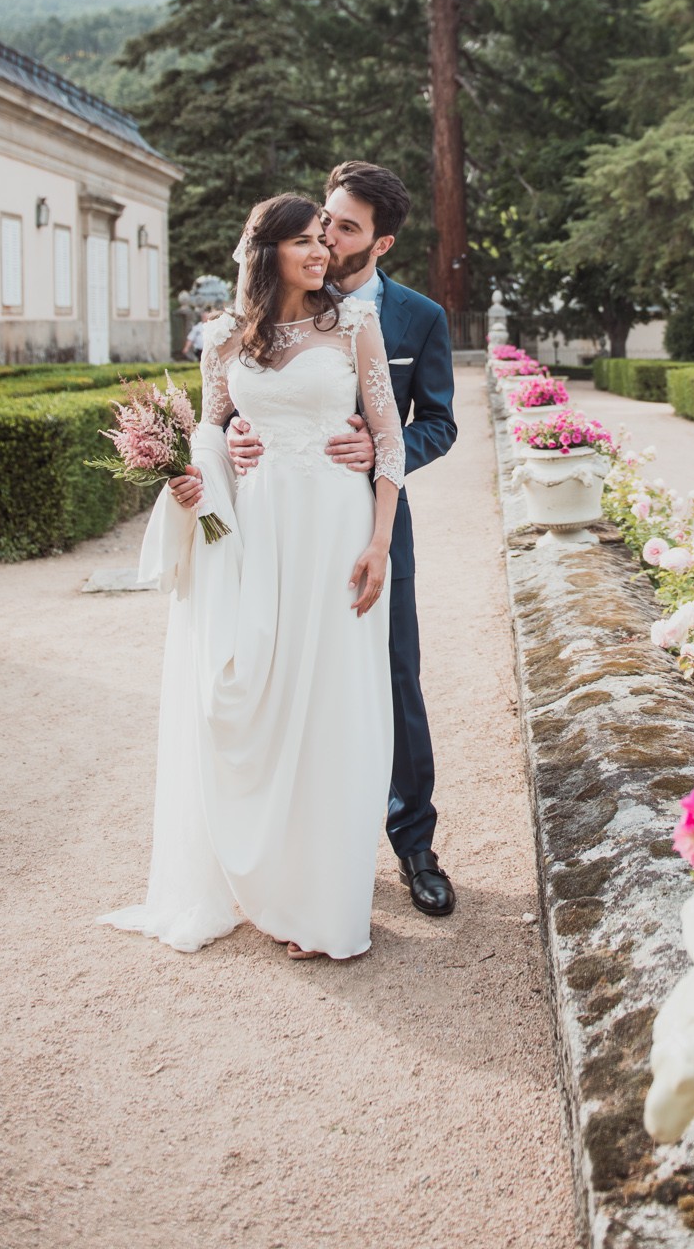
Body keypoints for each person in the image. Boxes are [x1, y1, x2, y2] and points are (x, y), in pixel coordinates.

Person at [99, 193, 405, 960]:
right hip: (259, 534)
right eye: (301, 242)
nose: (319, 253)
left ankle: (321, 902)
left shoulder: (355, 327)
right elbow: (210, 427)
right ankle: (265, 879)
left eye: (321, 241)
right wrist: (203, 469)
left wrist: (380, 542)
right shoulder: (226, 340)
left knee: (329, 707)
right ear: (262, 252)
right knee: (251, 698)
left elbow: (391, 441)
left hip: (336, 532)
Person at [226, 162, 459, 918]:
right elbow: (241, 399)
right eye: (324, 220)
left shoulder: (415, 317)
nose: (327, 235)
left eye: (345, 226)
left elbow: (436, 422)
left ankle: (414, 846)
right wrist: (234, 441)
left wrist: (380, 455)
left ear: (381, 242)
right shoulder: (272, 307)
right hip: (282, 519)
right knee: (282, 671)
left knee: (393, 678)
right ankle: (307, 844)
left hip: (369, 524)